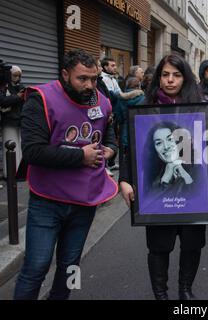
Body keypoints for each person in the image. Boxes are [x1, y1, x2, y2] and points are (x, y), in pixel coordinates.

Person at [119, 54, 208, 301]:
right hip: (158, 197)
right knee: (159, 246)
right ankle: (161, 294)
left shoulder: (201, 107)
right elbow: (131, 149)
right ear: (158, 78)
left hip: (197, 192)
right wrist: (124, 179)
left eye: (176, 75)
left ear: (185, 78)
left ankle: (185, 290)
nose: (170, 80)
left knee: (192, 244)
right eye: (165, 75)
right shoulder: (145, 109)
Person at [14, 49, 118, 300]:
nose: (89, 85)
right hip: (47, 200)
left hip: (85, 200)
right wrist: (81, 157)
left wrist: (111, 151)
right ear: (64, 74)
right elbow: (33, 152)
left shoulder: (103, 101)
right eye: (82, 79)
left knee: (71, 265)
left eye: (94, 79)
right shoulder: (40, 99)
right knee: (36, 266)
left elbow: (111, 137)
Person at [144, 122, 195, 193]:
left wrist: (187, 177)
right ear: (154, 149)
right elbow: (149, 202)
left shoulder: (197, 169)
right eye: (159, 143)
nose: (166, 146)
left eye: (170, 139)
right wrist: (165, 178)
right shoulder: (151, 177)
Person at [0, 65, 25, 177]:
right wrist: (18, 97)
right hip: (9, 121)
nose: (17, 78)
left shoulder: (21, 87)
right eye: (15, 75)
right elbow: (3, 101)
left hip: (19, 120)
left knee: (19, 146)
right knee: (9, 145)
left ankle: (19, 172)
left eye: (19, 75)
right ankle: (9, 173)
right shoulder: (4, 87)